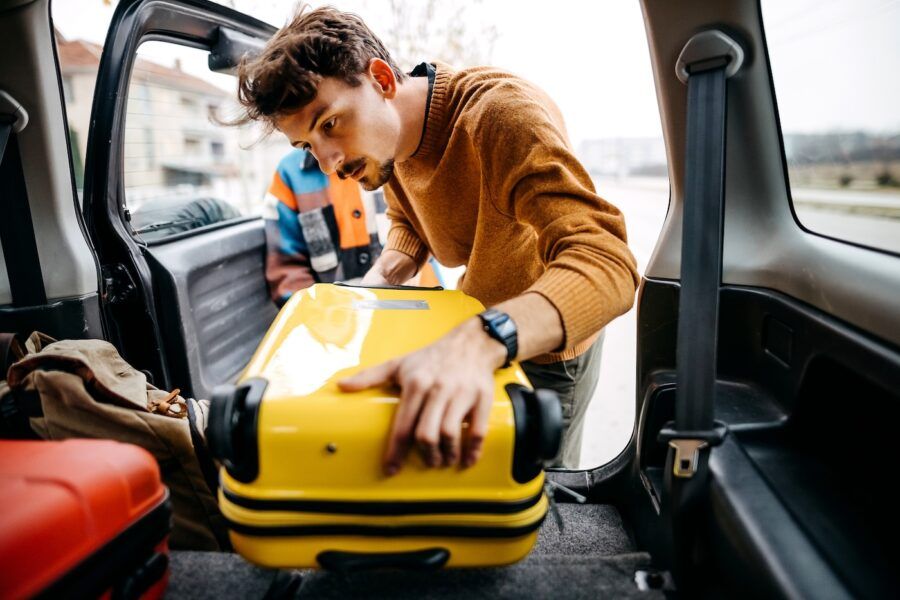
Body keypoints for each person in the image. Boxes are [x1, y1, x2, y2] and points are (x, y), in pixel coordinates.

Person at [234, 7, 639, 471]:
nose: (328, 164)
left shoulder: (502, 117)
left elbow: (608, 261)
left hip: (547, 347)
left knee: (537, 494)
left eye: (329, 124)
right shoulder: (389, 142)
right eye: (308, 145)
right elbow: (407, 221)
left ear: (381, 80)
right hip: (479, 325)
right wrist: (374, 283)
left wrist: (480, 339)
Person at [263, 147, 382, 305]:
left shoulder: (389, 153)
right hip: (331, 315)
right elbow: (289, 273)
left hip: (406, 310)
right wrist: (318, 314)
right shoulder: (289, 173)